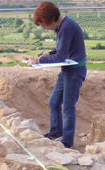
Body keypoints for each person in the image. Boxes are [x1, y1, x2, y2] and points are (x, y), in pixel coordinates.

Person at [27, 1, 87, 148]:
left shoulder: (66, 27)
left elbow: (61, 56)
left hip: (75, 70)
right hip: (67, 69)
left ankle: (67, 142)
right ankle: (55, 133)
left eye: (43, 24)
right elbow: (62, 50)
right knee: (54, 102)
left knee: (68, 107)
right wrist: (48, 54)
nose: (43, 28)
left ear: (51, 18)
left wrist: (39, 60)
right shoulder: (60, 26)